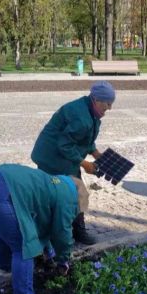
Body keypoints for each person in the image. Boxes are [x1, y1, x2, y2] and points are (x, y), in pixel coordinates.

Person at [0, 164, 85, 294]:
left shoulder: (52, 183)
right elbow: (62, 231)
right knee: (23, 245)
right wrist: (63, 260)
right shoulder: (68, 197)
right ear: (78, 197)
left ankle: (4, 269)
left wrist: (48, 251)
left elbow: (41, 221)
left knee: (9, 230)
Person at [31, 81, 115, 246]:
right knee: (70, 192)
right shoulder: (81, 117)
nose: (110, 108)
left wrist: (95, 153)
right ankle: (61, 232)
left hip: (62, 154)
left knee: (74, 192)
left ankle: (75, 230)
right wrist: (84, 164)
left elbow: (85, 138)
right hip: (51, 157)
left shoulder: (91, 111)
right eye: (107, 104)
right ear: (96, 100)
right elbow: (65, 144)